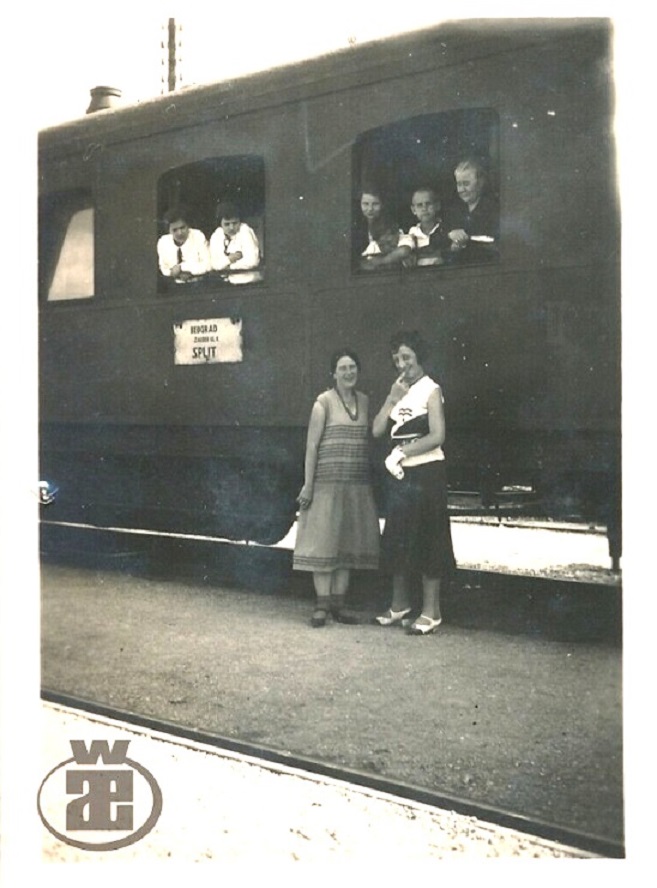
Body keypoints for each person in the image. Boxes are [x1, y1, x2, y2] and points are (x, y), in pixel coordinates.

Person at [372, 330, 455, 635]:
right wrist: (390, 399)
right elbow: (378, 429)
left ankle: (432, 613)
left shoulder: (431, 389)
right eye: (397, 359)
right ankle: (399, 605)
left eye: (406, 357)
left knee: (429, 539)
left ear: (419, 357)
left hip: (427, 472)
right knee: (397, 537)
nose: (401, 364)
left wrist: (402, 452)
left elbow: (437, 435)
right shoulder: (398, 389)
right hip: (402, 474)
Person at [293, 349, 380, 627]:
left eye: (353, 367)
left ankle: (338, 606)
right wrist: (309, 486)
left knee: (346, 545)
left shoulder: (365, 402)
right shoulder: (323, 404)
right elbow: (311, 446)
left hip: (355, 485)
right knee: (323, 546)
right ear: (334, 373)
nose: (348, 372)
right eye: (343, 368)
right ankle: (322, 606)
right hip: (326, 485)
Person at [444, 158, 499, 262]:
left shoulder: (493, 208)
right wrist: (450, 234)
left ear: (480, 183)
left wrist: (464, 241)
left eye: (466, 184)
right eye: (459, 184)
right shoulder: (455, 210)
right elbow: (437, 237)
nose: (461, 190)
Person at [357, 189, 413, 271]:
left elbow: (404, 250)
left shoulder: (390, 224)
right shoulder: (357, 227)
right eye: (365, 204)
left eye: (375, 204)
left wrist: (380, 261)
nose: (370, 209)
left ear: (382, 205)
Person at [209, 202, 262, 284]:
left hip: (248, 281)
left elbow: (252, 261)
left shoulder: (245, 231)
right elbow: (214, 264)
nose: (231, 227)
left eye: (235, 223)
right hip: (225, 283)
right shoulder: (216, 235)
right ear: (220, 224)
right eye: (227, 224)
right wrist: (230, 259)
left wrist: (229, 268)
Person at [157, 206, 211, 282]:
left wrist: (182, 268)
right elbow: (164, 268)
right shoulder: (163, 242)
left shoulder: (198, 236)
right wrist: (175, 274)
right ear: (168, 230)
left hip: (197, 283)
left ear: (188, 225)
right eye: (175, 230)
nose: (180, 233)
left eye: (182, 228)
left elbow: (207, 265)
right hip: (173, 285)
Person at [407, 187, 450, 266]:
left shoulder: (447, 228)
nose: (424, 208)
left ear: (437, 206)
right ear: (413, 210)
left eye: (428, 204)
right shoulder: (411, 234)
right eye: (419, 205)